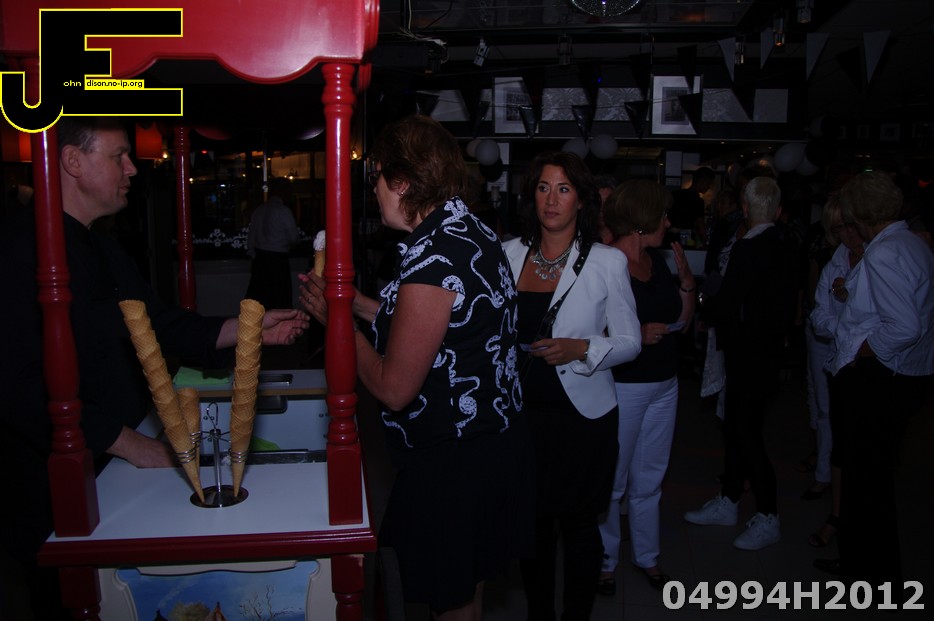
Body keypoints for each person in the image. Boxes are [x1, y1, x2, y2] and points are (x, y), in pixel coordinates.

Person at [0, 117, 309, 619]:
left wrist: (251, 330)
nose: (132, 169)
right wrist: (130, 444)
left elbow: (162, 326)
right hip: (54, 487)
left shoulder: (103, 248)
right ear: (73, 162)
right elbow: (19, 388)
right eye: (118, 156)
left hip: (119, 461)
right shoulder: (19, 250)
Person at [298, 114, 532, 620]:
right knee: (465, 586)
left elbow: (394, 386)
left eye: (378, 177)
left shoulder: (434, 258)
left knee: (451, 598)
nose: (375, 190)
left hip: (456, 458)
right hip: (490, 441)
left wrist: (340, 326)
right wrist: (353, 302)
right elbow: (431, 321)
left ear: (402, 182)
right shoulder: (467, 229)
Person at [501, 151, 641, 621]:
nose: (552, 199)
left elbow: (630, 342)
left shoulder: (606, 262)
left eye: (563, 189)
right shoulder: (508, 254)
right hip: (523, 417)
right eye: (543, 187)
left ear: (581, 199)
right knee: (533, 528)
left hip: (583, 419)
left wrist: (581, 348)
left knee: (581, 528)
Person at [816, 171, 934, 587]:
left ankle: (871, 574)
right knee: (871, 478)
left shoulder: (884, 252)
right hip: (904, 375)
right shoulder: (912, 243)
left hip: (881, 378)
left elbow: (905, 327)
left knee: (867, 481)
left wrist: (859, 350)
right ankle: (865, 565)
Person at [684, 176, 795, 551]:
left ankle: (768, 514)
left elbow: (728, 302)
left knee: (744, 433)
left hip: (748, 353)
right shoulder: (785, 241)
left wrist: (704, 304)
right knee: (737, 428)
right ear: (777, 211)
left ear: (745, 209)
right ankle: (730, 498)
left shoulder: (750, 247)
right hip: (764, 353)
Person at [596, 179, 695, 595]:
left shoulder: (657, 260)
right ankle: (604, 562)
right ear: (642, 220)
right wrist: (633, 333)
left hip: (664, 384)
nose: (668, 223)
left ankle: (647, 557)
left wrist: (687, 283)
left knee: (650, 477)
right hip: (625, 386)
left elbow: (682, 324)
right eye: (663, 215)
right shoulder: (606, 262)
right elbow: (584, 331)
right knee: (613, 480)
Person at [806, 195, 864, 550]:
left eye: (851, 225)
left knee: (860, 446)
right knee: (835, 426)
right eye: (840, 228)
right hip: (841, 360)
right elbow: (820, 314)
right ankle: (837, 510)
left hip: (872, 365)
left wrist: (851, 333)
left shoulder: (880, 256)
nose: (847, 233)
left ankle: (852, 521)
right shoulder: (836, 261)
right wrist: (847, 332)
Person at [245, 176, 301, 309]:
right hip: (277, 262)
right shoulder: (283, 211)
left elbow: (250, 240)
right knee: (279, 302)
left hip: (260, 262)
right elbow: (293, 238)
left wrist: (256, 257)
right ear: (284, 191)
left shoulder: (259, 210)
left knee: (258, 304)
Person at [667, 166, 714, 245]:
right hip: (686, 240)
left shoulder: (675, 194)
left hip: (669, 237)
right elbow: (700, 225)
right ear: (703, 181)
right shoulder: (698, 201)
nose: (709, 187)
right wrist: (705, 242)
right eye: (709, 183)